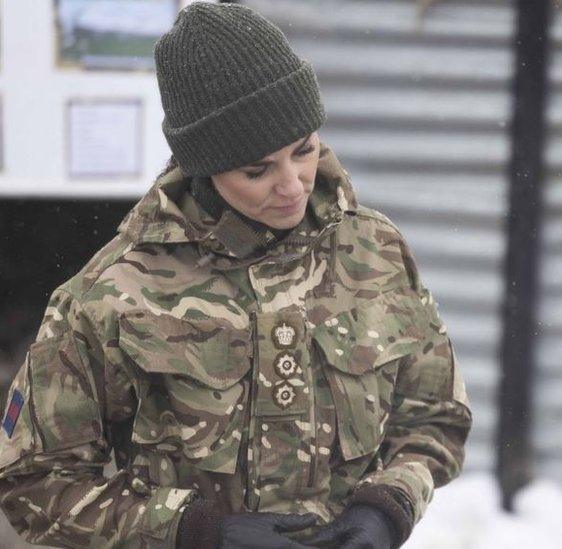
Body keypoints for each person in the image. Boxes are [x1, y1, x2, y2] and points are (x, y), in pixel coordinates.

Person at [0, 4, 471, 548]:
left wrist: (389, 506)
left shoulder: (375, 252)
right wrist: (192, 532)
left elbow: (434, 417)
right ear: (204, 167)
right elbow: (33, 483)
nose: (292, 185)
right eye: (256, 170)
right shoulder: (112, 295)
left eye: (304, 150)